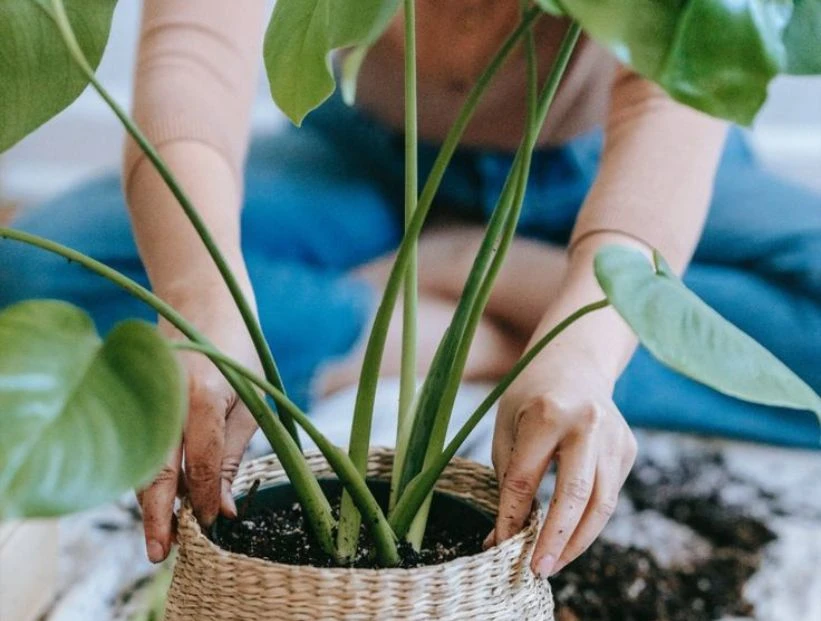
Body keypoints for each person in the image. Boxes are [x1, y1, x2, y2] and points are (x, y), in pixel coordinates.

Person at [1, 0, 819, 579]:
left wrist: (581, 345)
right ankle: (434, 329)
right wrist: (200, 298)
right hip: (369, 156)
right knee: (44, 271)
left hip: (601, 170)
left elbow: (676, 95)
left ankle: (475, 277)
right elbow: (194, 53)